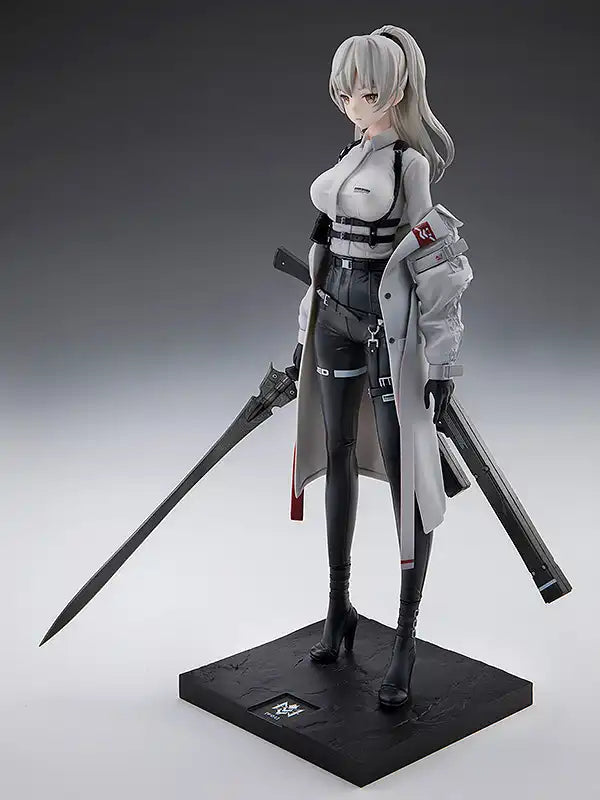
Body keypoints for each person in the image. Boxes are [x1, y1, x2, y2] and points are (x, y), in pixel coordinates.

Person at [287, 25, 474, 708]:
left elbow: (436, 264)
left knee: (407, 477)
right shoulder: (349, 154)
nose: (350, 103)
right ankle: (339, 608)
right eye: (343, 92)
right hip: (334, 314)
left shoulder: (407, 165)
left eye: (362, 92)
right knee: (336, 452)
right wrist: (305, 327)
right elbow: (320, 251)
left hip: (383, 325)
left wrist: (442, 358)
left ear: (393, 92)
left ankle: (404, 640)